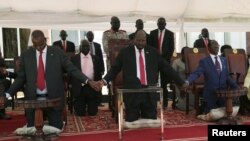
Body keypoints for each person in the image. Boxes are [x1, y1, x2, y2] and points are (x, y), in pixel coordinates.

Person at [2, 30, 99, 130]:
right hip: (33, 99)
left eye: (40, 44)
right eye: (35, 45)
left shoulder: (57, 52)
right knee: (32, 130)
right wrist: (7, 95)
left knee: (55, 130)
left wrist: (88, 81)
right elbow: (20, 78)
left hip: (53, 99)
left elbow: (72, 69)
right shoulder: (26, 55)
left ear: (45, 40)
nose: (38, 48)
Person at [99, 30, 186, 122]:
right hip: (132, 93)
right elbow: (114, 69)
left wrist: (181, 82)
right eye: (138, 40)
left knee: (150, 122)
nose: (140, 43)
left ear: (146, 40)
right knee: (131, 121)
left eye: (143, 41)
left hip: (149, 93)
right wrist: (104, 81)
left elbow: (167, 68)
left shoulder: (153, 52)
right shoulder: (125, 53)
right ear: (133, 40)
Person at [186, 40, 239, 121]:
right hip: (211, 94)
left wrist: (236, 87)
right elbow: (197, 73)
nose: (217, 48)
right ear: (209, 48)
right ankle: (204, 113)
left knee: (228, 113)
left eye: (218, 46)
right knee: (214, 116)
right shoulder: (204, 61)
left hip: (223, 95)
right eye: (214, 46)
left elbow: (227, 77)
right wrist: (188, 81)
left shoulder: (224, 60)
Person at [70, 39, 103, 116]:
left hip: (92, 88)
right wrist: (70, 84)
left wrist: (99, 86)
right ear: (80, 47)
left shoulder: (96, 59)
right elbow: (71, 74)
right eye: (83, 46)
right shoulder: (74, 59)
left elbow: (98, 75)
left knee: (92, 113)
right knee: (80, 113)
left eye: (87, 46)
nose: (85, 48)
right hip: (79, 88)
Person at [149, 17, 175, 108]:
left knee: (164, 83)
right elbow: (150, 47)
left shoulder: (170, 34)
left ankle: (165, 103)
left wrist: (164, 59)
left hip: (164, 61)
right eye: (159, 23)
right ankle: (153, 102)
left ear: (165, 24)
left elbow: (171, 48)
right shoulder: (152, 33)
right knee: (153, 82)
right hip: (154, 61)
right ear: (157, 24)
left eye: (162, 23)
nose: (161, 25)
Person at [171, 47, 194, 111]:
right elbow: (173, 75)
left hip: (190, 83)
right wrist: (181, 85)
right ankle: (178, 104)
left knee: (193, 104)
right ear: (182, 54)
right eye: (185, 54)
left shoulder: (192, 61)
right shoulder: (176, 62)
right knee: (183, 107)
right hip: (179, 83)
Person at [86, 31, 105, 106]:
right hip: (88, 67)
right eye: (89, 35)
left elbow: (101, 58)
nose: (91, 37)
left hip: (97, 67)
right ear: (87, 36)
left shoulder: (97, 45)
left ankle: (99, 101)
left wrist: (102, 68)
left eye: (92, 35)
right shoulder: (85, 45)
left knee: (99, 83)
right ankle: (89, 101)